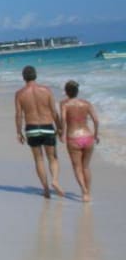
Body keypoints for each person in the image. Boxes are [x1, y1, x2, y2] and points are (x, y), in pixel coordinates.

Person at [14, 65, 64, 198]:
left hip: (31, 128)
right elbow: (54, 111)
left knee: (39, 159)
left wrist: (19, 132)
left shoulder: (19, 94)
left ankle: (46, 189)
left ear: (24, 77)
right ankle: (54, 180)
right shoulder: (46, 90)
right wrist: (59, 128)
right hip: (47, 126)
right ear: (35, 75)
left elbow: (19, 115)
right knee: (52, 158)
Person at [60, 80, 100, 202]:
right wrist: (96, 135)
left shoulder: (65, 105)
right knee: (86, 167)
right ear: (77, 91)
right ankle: (88, 192)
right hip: (88, 137)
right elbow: (96, 120)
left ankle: (84, 192)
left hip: (73, 138)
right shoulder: (86, 103)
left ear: (66, 92)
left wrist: (62, 133)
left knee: (77, 167)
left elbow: (62, 119)